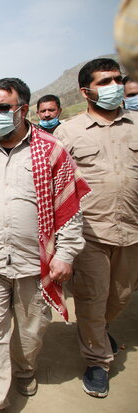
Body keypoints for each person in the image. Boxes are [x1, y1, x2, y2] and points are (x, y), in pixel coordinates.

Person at [0, 77, 89, 413]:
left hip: (36, 262)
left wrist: (67, 253)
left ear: (22, 109)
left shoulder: (51, 151)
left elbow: (68, 209)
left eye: (3, 108)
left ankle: (24, 369)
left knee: (31, 330)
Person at [55, 58, 138, 399]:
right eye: (105, 81)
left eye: (117, 80)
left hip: (131, 232)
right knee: (91, 299)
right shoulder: (69, 132)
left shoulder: (136, 125)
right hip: (89, 234)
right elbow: (57, 188)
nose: (114, 86)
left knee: (120, 296)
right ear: (86, 91)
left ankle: (99, 332)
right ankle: (97, 361)